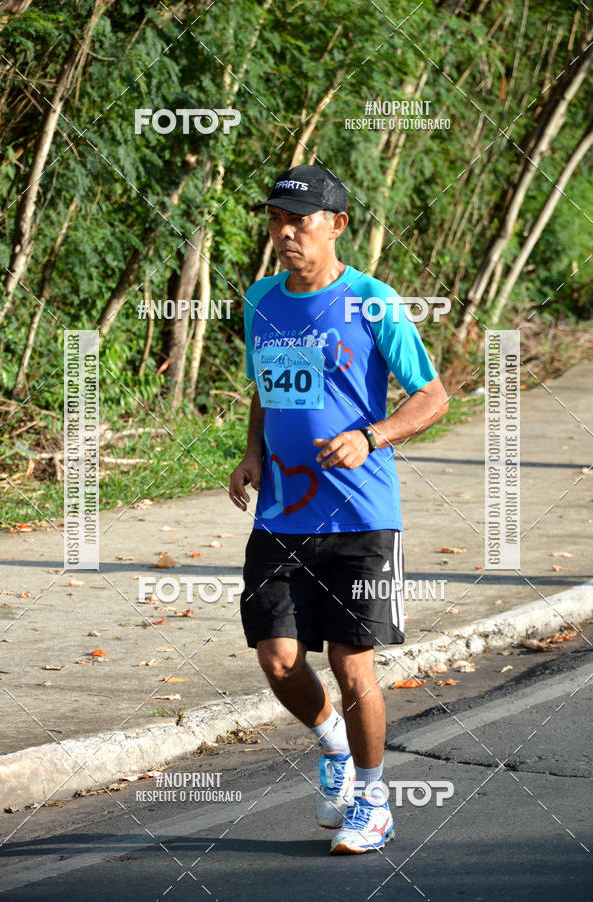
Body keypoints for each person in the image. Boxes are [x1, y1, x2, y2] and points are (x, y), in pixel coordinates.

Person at [228, 164, 448, 854]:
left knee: (354, 665)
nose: (286, 233)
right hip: (282, 511)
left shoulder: (373, 302)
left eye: (300, 221)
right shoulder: (260, 299)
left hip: (361, 518)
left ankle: (374, 802)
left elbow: (433, 396)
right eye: (277, 220)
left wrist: (371, 436)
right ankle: (333, 748)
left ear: (337, 225)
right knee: (276, 657)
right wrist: (252, 451)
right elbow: (266, 382)